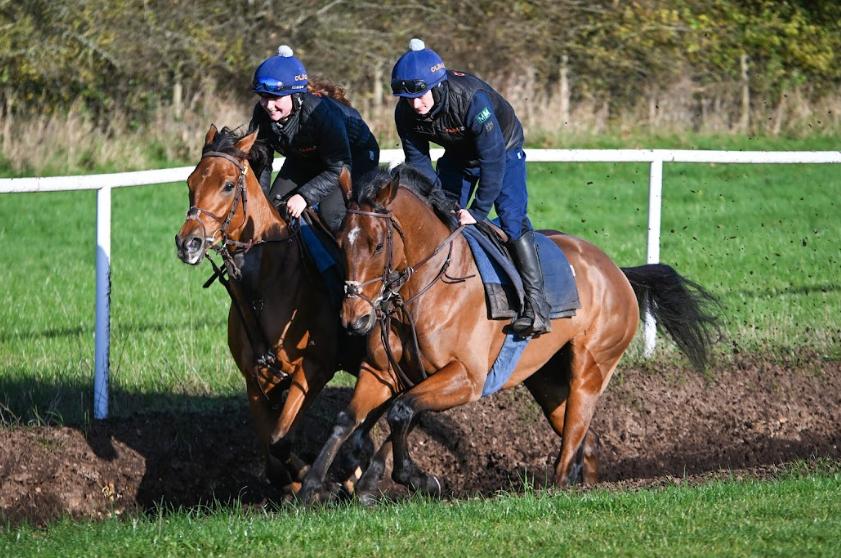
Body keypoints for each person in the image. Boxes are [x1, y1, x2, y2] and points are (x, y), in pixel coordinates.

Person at [391, 38, 551, 337]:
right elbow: (418, 161)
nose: (415, 105)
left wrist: (476, 211)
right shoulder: (405, 113)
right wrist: (437, 199)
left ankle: (536, 306)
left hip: (503, 150)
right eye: (407, 98)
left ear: (437, 85)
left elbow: (492, 160)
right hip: (458, 155)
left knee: (509, 221)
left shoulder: (471, 99)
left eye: (421, 96)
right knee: (441, 218)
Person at [249, 45, 380, 234]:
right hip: (308, 158)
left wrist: (304, 196)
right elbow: (262, 162)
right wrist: (259, 201)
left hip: (352, 158)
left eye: (275, 97)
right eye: (263, 97)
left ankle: (343, 263)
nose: (268, 105)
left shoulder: (322, 115)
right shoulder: (261, 114)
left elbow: (337, 168)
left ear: (296, 96)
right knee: (275, 208)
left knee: (331, 213)